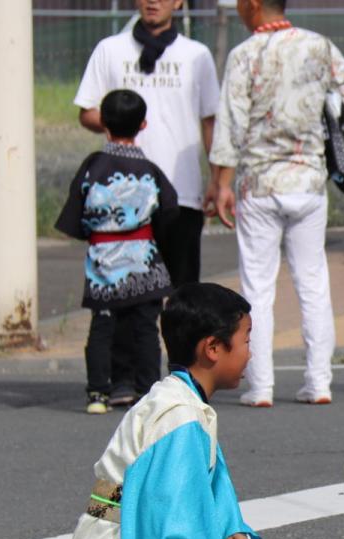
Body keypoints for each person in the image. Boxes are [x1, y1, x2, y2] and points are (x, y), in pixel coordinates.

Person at [31, 283, 280, 539]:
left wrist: (233, 530)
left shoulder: (174, 397)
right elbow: (178, 516)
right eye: (246, 340)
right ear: (213, 348)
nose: (251, 352)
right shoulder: (181, 416)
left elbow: (211, 487)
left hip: (111, 538)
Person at [210, 0, 344, 408]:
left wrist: (221, 184)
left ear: (254, 5)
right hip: (308, 180)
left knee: (257, 286)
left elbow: (229, 124)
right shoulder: (319, 45)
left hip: (259, 182)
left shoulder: (244, 55)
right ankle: (319, 381)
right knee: (312, 282)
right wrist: (324, 114)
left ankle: (260, 385)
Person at [74, 0, 220, 407]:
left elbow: (210, 120)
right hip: (123, 196)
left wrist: (217, 178)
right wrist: (117, 119)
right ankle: (125, 380)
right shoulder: (111, 49)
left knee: (184, 294)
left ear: (179, 3)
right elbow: (86, 111)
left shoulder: (196, 55)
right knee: (124, 294)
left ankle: (185, 378)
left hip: (181, 190)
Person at [55, 89, 176, 416]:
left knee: (102, 326)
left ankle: (98, 392)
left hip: (103, 260)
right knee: (146, 328)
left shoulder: (93, 167)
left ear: (103, 125)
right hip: (144, 259)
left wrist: (97, 234)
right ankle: (148, 391)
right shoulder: (150, 170)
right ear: (143, 125)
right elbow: (168, 210)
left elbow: (76, 214)